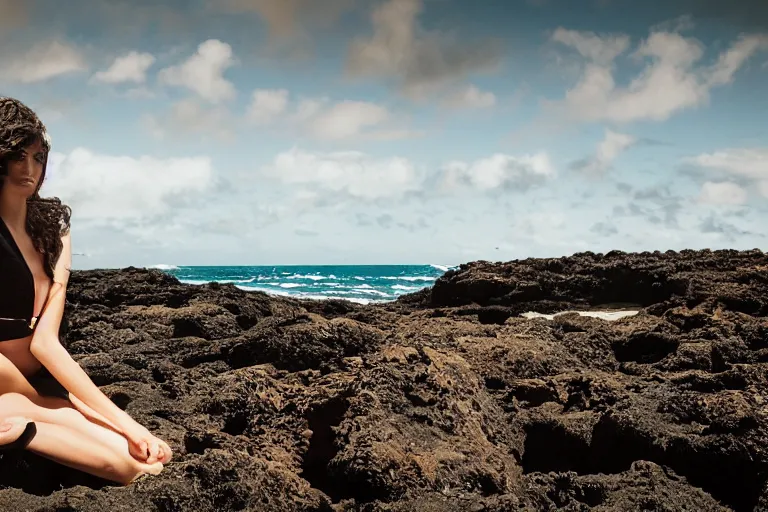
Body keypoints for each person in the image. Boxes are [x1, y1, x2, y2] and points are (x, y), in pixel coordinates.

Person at [0, 97, 172, 484]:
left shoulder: (53, 226)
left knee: (148, 461)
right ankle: (22, 431)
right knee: (128, 470)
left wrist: (130, 428)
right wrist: (130, 425)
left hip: (40, 377)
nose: (29, 169)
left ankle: (15, 419)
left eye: (38, 157)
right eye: (18, 156)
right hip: (4, 375)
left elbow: (45, 342)